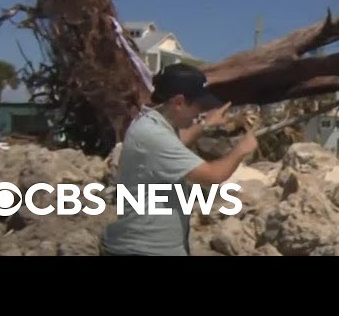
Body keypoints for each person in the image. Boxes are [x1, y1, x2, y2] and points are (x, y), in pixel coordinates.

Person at [99, 63, 258, 256]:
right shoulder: (154, 135)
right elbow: (213, 175)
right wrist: (241, 149)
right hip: (145, 250)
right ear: (178, 103)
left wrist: (206, 124)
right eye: (199, 107)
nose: (200, 113)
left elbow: (177, 141)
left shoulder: (151, 122)